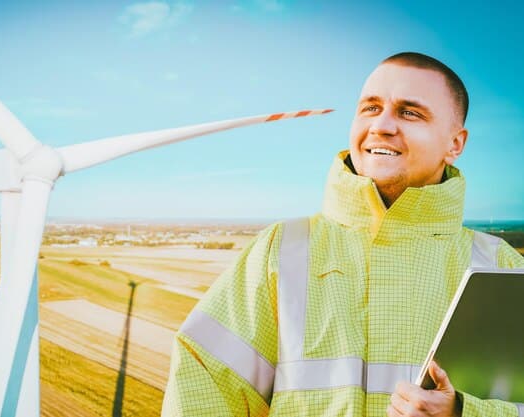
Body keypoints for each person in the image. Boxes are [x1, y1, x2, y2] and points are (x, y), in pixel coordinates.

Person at [161, 52, 524, 417]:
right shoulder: (281, 249)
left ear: (455, 144)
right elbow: (203, 386)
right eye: (370, 108)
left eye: (409, 112)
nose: (382, 125)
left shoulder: (501, 266)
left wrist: (467, 412)